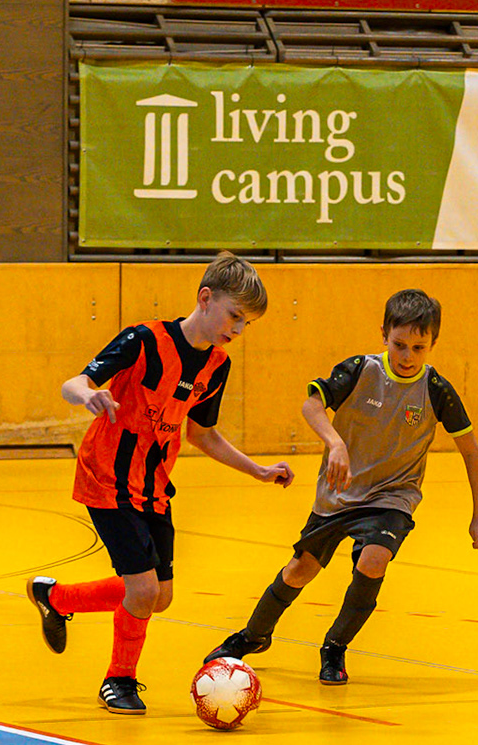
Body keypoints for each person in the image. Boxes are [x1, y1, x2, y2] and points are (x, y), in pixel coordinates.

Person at [27, 253, 293, 715]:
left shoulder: (217, 365)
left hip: (153, 486)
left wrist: (257, 470)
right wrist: (87, 394)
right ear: (205, 298)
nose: (238, 329)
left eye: (247, 323)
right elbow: (74, 383)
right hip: (106, 477)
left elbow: (202, 434)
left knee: (159, 596)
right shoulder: (145, 340)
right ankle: (119, 680)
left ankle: (55, 597)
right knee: (143, 591)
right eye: (234, 316)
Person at [204, 288, 478, 685]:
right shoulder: (360, 370)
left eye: (418, 348)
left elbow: (472, 452)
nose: (407, 356)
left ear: (433, 344)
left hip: (393, 496)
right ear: (383, 335)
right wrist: (335, 443)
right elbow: (311, 404)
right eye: (399, 345)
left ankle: (335, 647)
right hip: (338, 494)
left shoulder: (436, 390)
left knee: (373, 559)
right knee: (300, 570)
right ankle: (253, 635)